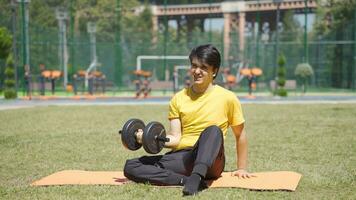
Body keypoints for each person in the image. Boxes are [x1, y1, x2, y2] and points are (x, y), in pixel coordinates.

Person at [124, 44, 253, 196]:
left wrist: (242, 167)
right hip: (184, 158)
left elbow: (240, 134)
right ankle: (183, 181)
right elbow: (175, 138)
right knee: (131, 166)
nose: (197, 71)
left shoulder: (228, 98)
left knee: (213, 130)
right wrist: (147, 137)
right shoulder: (178, 98)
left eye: (203, 67)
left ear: (214, 71)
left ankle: (197, 176)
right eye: (194, 66)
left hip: (211, 161)